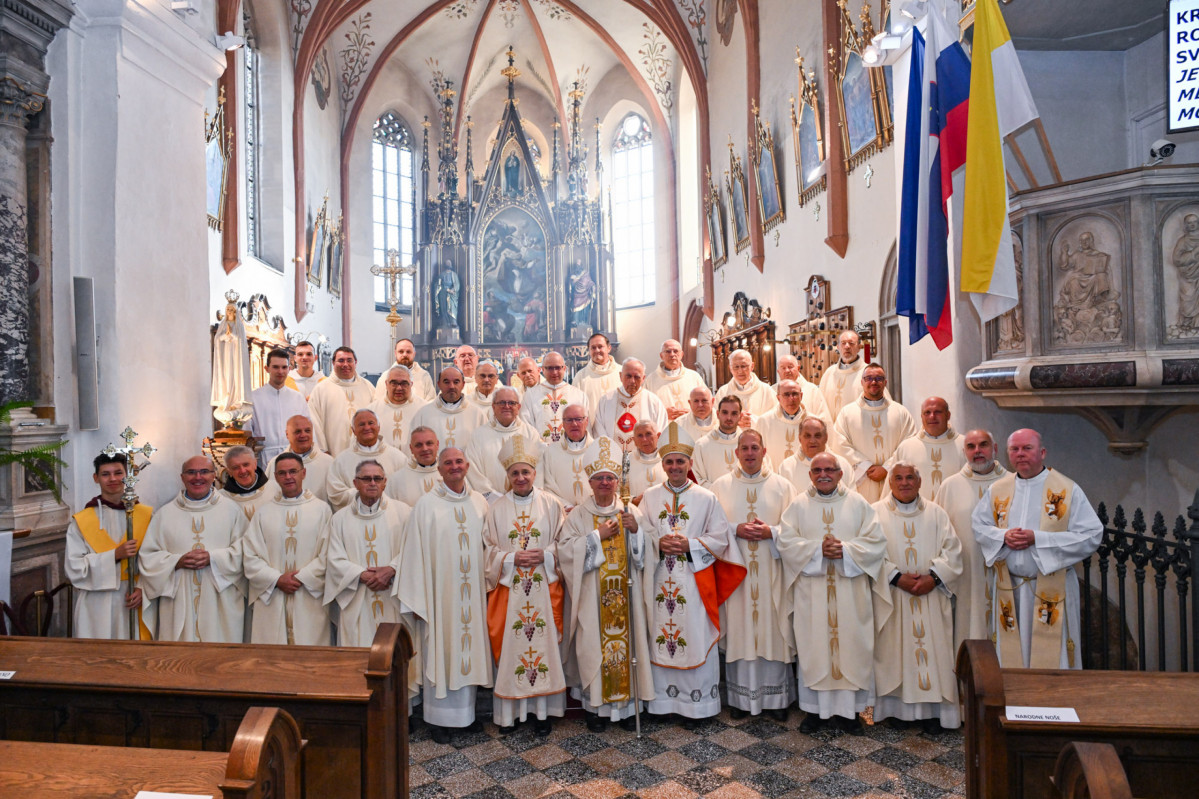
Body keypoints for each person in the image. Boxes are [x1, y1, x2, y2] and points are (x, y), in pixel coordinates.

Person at [640, 422, 746, 728]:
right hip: (659, 580)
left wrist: (691, 545)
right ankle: (662, 704)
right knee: (660, 635)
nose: (675, 467)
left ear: (689, 463)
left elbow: (721, 538)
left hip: (693, 582)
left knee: (695, 636)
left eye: (680, 461)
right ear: (662, 464)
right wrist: (657, 543)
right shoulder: (649, 497)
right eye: (669, 462)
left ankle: (697, 707)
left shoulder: (706, 497)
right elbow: (641, 535)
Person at [777, 453, 889, 735]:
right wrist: (817, 550)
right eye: (817, 470)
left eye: (829, 469)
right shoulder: (798, 505)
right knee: (814, 649)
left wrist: (845, 550)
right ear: (810, 475)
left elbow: (876, 542)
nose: (823, 474)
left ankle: (850, 713)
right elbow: (786, 543)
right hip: (812, 594)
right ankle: (814, 712)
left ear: (841, 474)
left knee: (852, 648)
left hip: (850, 593)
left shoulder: (858, 504)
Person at [972, 429, 1102, 669]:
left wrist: (1038, 539)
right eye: (1015, 449)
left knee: (1053, 658)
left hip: (1052, 589)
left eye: (1027, 448)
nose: (1020, 454)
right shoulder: (998, 489)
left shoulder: (1066, 489)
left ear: (1042, 453)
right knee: (1013, 656)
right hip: (1011, 590)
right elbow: (979, 525)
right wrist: (1003, 536)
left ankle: (1053, 695)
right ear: (1008, 453)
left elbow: (1091, 535)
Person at [396, 448, 492, 744]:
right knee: (441, 649)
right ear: (439, 470)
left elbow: (489, 546)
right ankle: (438, 720)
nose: (454, 467)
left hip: (472, 593)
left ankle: (467, 716)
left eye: (459, 461)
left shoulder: (479, 502)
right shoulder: (426, 505)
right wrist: (418, 597)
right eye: (448, 463)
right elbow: (413, 551)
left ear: (468, 466)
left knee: (469, 649)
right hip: (440, 596)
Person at [558, 436, 653, 731]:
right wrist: (596, 536)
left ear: (617, 482)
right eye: (599, 478)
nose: (604, 483)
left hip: (627, 598)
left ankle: (627, 710)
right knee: (593, 648)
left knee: (628, 648)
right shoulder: (579, 515)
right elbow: (565, 552)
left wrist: (636, 533)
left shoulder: (630, 512)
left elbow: (646, 555)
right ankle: (595, 709)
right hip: (592, 598)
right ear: (589, 482)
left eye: (610, 478)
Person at [482, 437, 567, 735]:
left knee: (543, 646)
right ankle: (511, 715)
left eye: (525, 472)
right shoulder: (496, 508)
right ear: (507, 475)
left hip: (543, 589)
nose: (520, 478)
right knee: (513, 649)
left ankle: (542, 714)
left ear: (534, 473)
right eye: (515, 473)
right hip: (511, 593)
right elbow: (488, 551)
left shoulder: (552, 504)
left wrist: (546, 555)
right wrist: (511, 558)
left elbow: (564, 544)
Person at [710, 430, 797, 720]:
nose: (749, 453)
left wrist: (772, 532)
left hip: (772, 574)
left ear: (764, 451)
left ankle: (777, 700)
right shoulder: (720, 487)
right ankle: (739, 700)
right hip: (737, 575)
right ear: (736, 453)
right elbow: (710, 528)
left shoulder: (783, 487)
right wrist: (735, 529)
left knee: (773, 630)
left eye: (755, 448)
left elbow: (796, 530)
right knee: (741, 630)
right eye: (744, 448)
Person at [872, 463, 963, 733]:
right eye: (898, 478)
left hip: (931, 596)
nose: (904, 483)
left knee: (935, 654)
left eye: (910, 477)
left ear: (919, 482)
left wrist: (933, 578)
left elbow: (953, 552)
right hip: (893, 595)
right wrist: (895, 577)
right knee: (894, 653)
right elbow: (869, 553)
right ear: (890, 483)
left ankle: (934, 713)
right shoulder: (874, 513)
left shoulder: (936, 513)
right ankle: (898, 711)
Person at [325, 460, 415, 706]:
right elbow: (333, 558)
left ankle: (401, 711)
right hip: (357, 598)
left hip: (393, 595)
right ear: (355, 483)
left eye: (378, 478)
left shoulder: (403, 513)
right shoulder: (340, 518)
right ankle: (360, 708)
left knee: (395, 653)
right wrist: (361, 575)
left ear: (385, 482)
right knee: (359, 654)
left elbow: (413, 549)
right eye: (366, 479)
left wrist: (392, 569)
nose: (372, 483)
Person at [139, 456, 247, 643]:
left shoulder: (232, 511)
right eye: (191, 472)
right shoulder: (164, 514)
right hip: (178, 600)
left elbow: (246, 552)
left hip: (220, 600)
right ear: (182, 477)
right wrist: (176, 561)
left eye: (204, 472)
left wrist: (213, 558)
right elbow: (148, 558)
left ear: (214, 475)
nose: (198, 477)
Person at [242, 452, 332, 646]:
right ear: (275, 477)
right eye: (282, 473)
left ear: (303, 473)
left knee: (311, 650)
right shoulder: (264, 512)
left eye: (293, 471)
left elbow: (328, 554)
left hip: (308, 594)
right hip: (273, 594)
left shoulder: (322, 510)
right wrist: (276, 579)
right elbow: (250, 556)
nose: (288, 477)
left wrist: (302, 577)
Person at [64, 453, 154, 640]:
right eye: (105, 474)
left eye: (118, 473)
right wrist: (114, 555)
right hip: (97, 602)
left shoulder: (146, 516)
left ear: (127, 476)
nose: (113, 479)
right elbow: (74, 568)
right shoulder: (82, 521)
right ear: (95, 478)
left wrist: (144, 589)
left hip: (135, 597)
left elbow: (156, 559)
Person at [934, 429, 1008, 653]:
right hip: (967, 575)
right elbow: (938, 534)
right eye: (971, 447)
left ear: (995, 449)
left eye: (983, 445)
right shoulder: (950, 486)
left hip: (1006, 573)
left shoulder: (1013, 482)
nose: (977, 451)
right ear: (964, 452)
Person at [834, 364, 917, 503]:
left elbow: (909, 443)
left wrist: (887, 468)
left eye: (879, 378)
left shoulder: (900, 412)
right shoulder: (847, 413)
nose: (874, 382)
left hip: (893, 479)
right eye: (869, 378)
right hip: (862, 481)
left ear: (885, 382)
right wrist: (866, 466)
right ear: (862, 382)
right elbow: (839, 443)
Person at [465, 387, 543, 500]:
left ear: (518, 407)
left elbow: (539, 468)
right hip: (490, 503)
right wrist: (491, 496)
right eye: (502, 402)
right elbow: (473, 470)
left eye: (511, 403)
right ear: (493, 407)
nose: (507, 406)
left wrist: (528, 495)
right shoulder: (478, 435)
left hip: (525, 500)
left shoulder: (530, 433)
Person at [326, 409, 406, 512]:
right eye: (361, 424)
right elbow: (335, 493)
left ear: (379, 426)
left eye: (371, 423)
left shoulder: (398, 458)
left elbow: (406, 490)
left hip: (389, 515)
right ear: (353, 430)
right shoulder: (341, 461)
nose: (367, 428)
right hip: (356, 517)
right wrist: (363, 494)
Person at [890, 397, 965, 500]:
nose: (932, 416)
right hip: (917, 509)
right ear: (921, 417)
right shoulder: (906, 448)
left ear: (948, 415)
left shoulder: (965, 446)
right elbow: (892, 487)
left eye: (938, 412)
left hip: (953, 509)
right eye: (927, 413)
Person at [248, 348, 310, 467]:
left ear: (289, 369)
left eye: (284, 367)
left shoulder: (297, 398)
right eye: (275, 367)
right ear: (267, 369)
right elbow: (247, 433)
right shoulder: (253, 398)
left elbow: (307, 428)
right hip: (264, 458)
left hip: (294, 456)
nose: (280, 371)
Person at [309, 346, 375, 455]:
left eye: (349, 360)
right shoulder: (321, 389)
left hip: (365, 452)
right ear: (333, 363)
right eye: (341, 360)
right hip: (333, 452)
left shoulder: (367, 387)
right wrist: (323, 450)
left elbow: (377, 418)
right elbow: (314, 422)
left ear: (355, 363)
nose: (345, 364)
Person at [593, 358, 668, 451]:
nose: (632, 381)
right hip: (611, 457)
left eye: (637, 377)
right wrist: (611, 453)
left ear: (643, 378)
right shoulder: (606, 400)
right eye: (628, 376)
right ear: (620, 376)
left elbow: (661, 433)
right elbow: (599, 431)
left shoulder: (654, 402)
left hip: (643, 458)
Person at [411, 366, 487, 451]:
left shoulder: (477, 415)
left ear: (463, 384)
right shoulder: (423, 414)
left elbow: (484, 450)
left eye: (456, 382)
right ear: (439, 384)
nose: (451, 386)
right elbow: (414, 448)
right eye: (446, 382)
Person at [519, 351, 587, 444]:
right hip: (540, 449)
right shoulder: (530, 395)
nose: (554, 372)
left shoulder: (578, 395)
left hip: (571, 449)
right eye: (550, 368)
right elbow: (526, 425)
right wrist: (541, 445)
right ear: (543, 369)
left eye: (558, 368)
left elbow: (585, 426)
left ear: (564, 369)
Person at [756, 379, 830, 464]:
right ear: (778, 398)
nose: (791, 399)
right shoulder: (764, 422)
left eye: (795, 394)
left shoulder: (815, 423)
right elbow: (759, 455)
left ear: (801, 396)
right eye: (786, 394)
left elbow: (823, 453)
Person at [267, 415, 334, 505]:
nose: (303, 435)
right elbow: (268, 499)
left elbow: (336, 500)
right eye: (298, 431)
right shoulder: (275, 464)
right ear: (287, 434)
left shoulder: (328, 463)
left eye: (307, 431)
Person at [777, 417, 852, 494]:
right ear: (799, 438)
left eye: (817, 436)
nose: (812, 441)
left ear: (826, 437)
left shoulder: (842, 465)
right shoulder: (786, 468)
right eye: (807, 436)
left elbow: (852, 499)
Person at [540, 404, 592, 509]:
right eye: (569, 420)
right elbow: (547, 486)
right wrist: (566, 506)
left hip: (593, 512)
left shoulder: (598, 449)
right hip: (562, 512)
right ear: (563, 423)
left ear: (586, 421)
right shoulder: (551, 452)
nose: (574, 424)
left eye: (578, 419)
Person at [367, 365, 428, 452]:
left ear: (411, 384)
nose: (399, 388)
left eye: (404, 383)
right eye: (394, 383)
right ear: (386, 384)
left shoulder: (424, 409)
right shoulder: (372, 411)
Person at [646, 339, 706, 421]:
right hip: (665, 426)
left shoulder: (694, 377)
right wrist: (662, 414)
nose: (672, 354)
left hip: (690, 424)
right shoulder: (651, 380)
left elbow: (707, 402)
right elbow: (645, 408)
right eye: (668, 351)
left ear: (681, 354)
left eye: (675, 351)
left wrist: (693, 412)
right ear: (661, 356)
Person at [691, 396, 745, 487]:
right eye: (725, 412)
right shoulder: (702, 445)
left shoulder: (749, 445)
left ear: (741, 416)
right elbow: (695, 477)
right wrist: (717, 491)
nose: (729, 418)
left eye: (734, 413)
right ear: (717, 414)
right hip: (712, 495)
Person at [386, 426, 442, 508]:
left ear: (437, 445)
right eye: (419, 445)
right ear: (411, 448)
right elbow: (390, 511)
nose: (425, 448)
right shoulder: (396, 480)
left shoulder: (450, 474)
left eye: (429, 443)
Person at [817, 330, 868, 420]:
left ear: (859, 347)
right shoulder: (829, 373)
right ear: (838, 347)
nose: (847, 346)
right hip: (830, 426)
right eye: (843, 343)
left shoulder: (868, 373)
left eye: (851, 343)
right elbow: (819, 403)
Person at [714, 349, 777, 419]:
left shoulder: (766, 390)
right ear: (730, 368)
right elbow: (716, 419)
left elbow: (774, 417)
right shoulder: (723, 392)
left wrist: (753, 421)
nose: (740, 371)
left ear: (752, 366)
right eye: (736, 367)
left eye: (743, 366)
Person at [221, 445, 274, 523]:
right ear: (229, 472)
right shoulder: (221, 499)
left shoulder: (276, 490)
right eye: (236, 467)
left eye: (246, 465)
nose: (242, 471)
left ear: (255, 464)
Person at [773, 352, 831, 421]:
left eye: (790, 367)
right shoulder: (772, 391)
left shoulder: (812, 390)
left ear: (798, 368)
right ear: (778, 371)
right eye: (783, 368)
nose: (787, 370)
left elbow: (823, 419)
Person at [374, 338, 435, 403]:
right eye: (401, 351)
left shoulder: (424, 376)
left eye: (408, 352)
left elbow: (431, 403)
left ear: (414, 354)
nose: (405, 355)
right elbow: (378, 403)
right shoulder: (385, 376)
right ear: (395, 353)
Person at [572, 333, 621, 411]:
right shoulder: (580, 377)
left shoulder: (622, 372)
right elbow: (575, 406)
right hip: (592, 419)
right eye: (593, 348)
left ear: (609, 348)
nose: (597, 350)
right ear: (589, 350)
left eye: (600, 347)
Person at [627, 421, 664, 504]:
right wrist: (633, 501)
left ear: (658, 436)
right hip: (636, 510)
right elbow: (616, 491)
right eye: (640, 435)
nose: (644, 439)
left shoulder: (669, 459)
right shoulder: (626, 461)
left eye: (648, 434)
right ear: (634, 440)